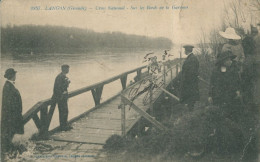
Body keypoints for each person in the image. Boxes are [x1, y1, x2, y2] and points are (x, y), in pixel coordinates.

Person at [208, 51, 242, 121]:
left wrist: (238, 91)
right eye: (228, 60)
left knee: (231, 116)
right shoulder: (215, 71)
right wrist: (210, 95)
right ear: (223, 61)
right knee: (220, 116)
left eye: (230, 60)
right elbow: (212, 84)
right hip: (219, 97)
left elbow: (238, 82)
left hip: (231, 97)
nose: (230, 61)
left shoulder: (233, 70)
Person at [1, 68, 24, 155]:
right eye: (14, 74)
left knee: (11, 134)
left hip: (12, 116)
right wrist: (16, 115)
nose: (15, 76)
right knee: (10, 134)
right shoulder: (8, 87)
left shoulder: (9, 86)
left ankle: (11, 151)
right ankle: (10, 152)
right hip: (11, 117)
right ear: (11, 76)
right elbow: (9, 104)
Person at [52, 64, 72, 131]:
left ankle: (64, 125)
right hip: (60, 97)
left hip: (63, 97)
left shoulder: (63, 76)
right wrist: (62, 94)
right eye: (67, 69)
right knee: (63, 111)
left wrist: (67, 83)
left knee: (65, 111)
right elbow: (57, 88)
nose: (68, 70)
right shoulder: (60, 77)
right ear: (64, 69)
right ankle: (63, 126)